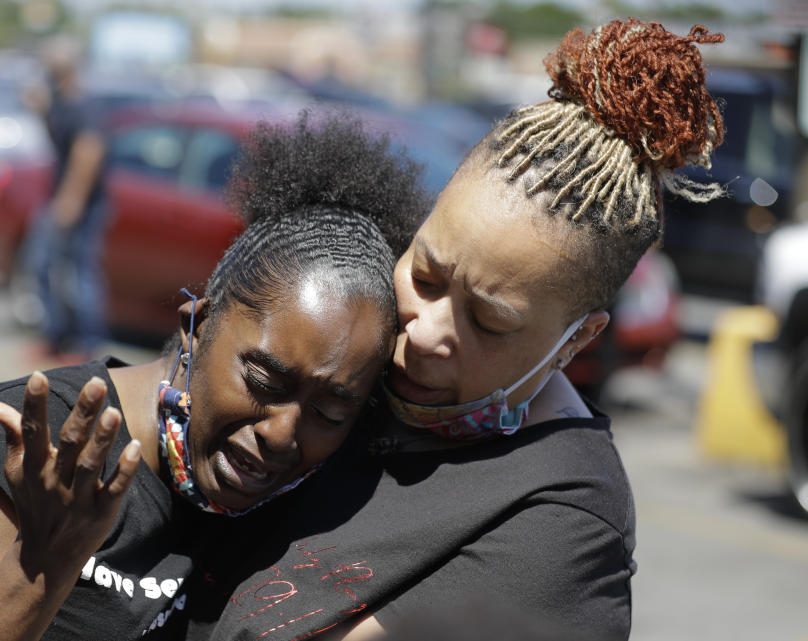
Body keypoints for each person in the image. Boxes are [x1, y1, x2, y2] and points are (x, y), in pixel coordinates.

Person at [187, 19, 725, 641]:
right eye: (427, 273)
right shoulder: (344, 354)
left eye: (488, 321)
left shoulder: (561, 527)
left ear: (575, 341)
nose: (424, 333)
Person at [0, 113, 430, 641]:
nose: (283, 433)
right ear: (197, 328)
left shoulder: (292, 502)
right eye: (264, 383)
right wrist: (40, 563)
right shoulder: (25, 456)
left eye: (330, 413)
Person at [25, 36, 108, 360]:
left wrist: (71, 199)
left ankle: (88, 345)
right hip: (60, 197)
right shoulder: (59, 102)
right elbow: (57, 143)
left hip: (82, 205)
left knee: (81, 275)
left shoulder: (81, 104)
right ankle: (56, 337)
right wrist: (42, 112)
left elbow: (89, 151)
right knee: (45, 267)